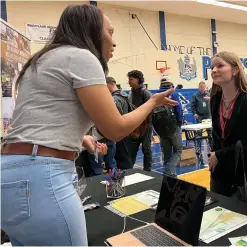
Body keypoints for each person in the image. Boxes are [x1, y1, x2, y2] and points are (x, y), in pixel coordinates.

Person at [0, 5, 176, 246]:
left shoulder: (41, 60)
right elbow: (115, 129)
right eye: (110, 33)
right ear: (91, 30)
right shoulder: (81, 57)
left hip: (11, 173)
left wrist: (80, 138)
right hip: (42, 176)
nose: (114, 43)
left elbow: (39, 118)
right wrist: (153, 103)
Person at [208, 51, 247, 210]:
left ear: (235, 70)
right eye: (212, 67)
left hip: (244, 171)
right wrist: (213, 156)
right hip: (219, 171)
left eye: (220, 65)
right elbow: (217, 136)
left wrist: (218, 155)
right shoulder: (215, 99)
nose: (214, 70)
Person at [156, 78, 183, 177]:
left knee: (167, 154)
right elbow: (178, 109)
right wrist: (179, 122)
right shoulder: (174, 94)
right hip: (173, 126)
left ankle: (171, 178)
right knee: (178, 150)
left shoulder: (155, 95)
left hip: (161, 130)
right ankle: (168, 172)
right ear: (170, 86)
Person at [127, 70, 153, 171]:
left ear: (137, 79)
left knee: (146, 150)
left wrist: (147, 125)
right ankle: (129, 170)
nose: (128, 81)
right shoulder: (130, 93)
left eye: (131, 79)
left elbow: (151, 108)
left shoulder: (145, 93)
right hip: (134, 127)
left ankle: (148, 171)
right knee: (132, 150)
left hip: (145, 127)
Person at [106, 76, 134, 169]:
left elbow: (116, 118)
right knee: (126, 157)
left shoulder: (115, 99)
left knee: (122, 161)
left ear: (108, 84)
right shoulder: (125, 95)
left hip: (120, 134)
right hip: (127, 131)